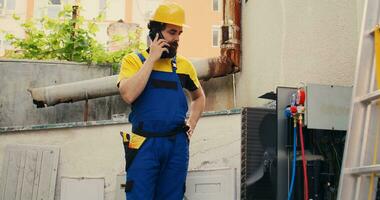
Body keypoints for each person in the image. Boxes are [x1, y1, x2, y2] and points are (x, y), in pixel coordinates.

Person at [117, 2, 206, 200]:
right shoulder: (134, 61)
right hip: (142, 143)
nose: (176, 39)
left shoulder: (184, 66)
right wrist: (152, 59)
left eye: (179, 34)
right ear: (156, 32)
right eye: (172, 32)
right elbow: (129, 94)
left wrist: (191, 123)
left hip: (176, 145)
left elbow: (199, 97)